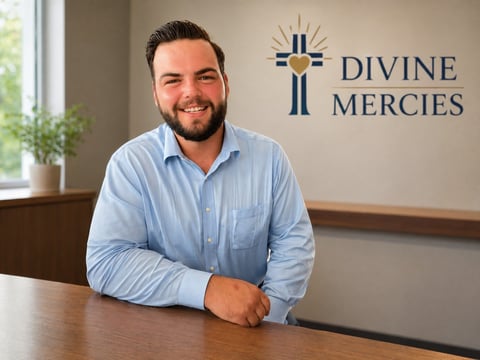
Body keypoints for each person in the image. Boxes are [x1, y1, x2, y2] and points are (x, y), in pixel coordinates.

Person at [86, 20, 315, 327]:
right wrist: (206, 289)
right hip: (163, 331)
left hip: (260, 324)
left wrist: (266, 315)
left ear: (226, 84)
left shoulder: (269, 157)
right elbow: (107, 262)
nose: (191, 93)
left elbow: (294, 245)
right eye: (172, 81)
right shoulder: (130, 164)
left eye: (205, 77)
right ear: (156, 93)